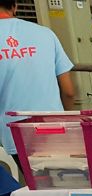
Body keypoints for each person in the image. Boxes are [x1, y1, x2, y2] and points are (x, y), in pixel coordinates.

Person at [0, 0, 74, 167]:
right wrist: (66, 119)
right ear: (15, 6)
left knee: (35, 181)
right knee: (64, 176)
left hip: (15, 134)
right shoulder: (45, 33)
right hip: (55, 127)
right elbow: (69, 91)